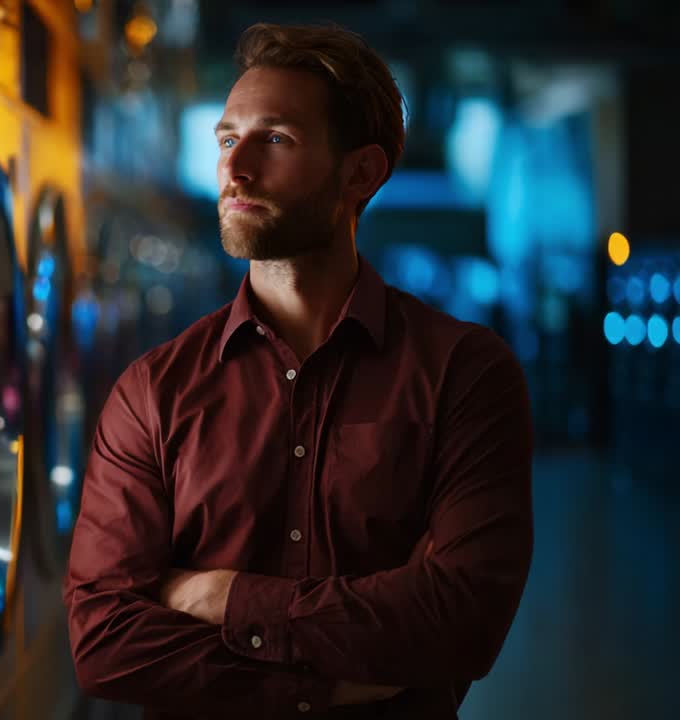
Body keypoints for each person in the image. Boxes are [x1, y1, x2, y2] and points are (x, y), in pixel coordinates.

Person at [63, 22, 533, 719]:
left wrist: (216, 595)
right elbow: (103, 639)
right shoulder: (154, 390)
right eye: (228, 139)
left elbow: (463, 618)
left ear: (361, 173)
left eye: (276, 139)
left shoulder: (463, 373)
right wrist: (317, 690)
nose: (236, 168)